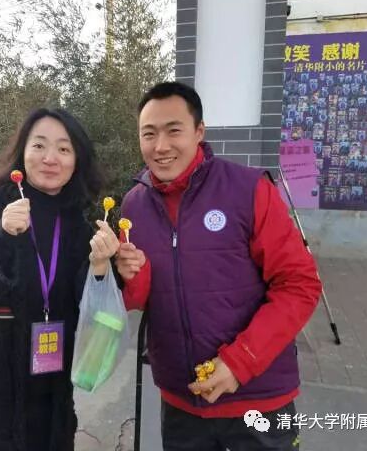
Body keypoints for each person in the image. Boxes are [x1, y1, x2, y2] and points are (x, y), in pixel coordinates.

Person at [115, 82, 322, 450]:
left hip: (259, 397)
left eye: (173, 130)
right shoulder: (134, 206)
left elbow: (299, 284)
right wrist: (123, 276)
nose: (160, 146)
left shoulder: (248, 189)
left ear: (199, 132)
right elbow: (139, 300)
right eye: (149, 134)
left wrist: (241, 361)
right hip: (182, 399)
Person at [0, 108, 119, 451]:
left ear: (77, 160)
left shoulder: (79, 226)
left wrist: (102, 268)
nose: (50, 158)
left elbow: (88, 315)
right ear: (22, 152)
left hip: (52, 405)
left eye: (64, 148)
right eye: (39, 145)